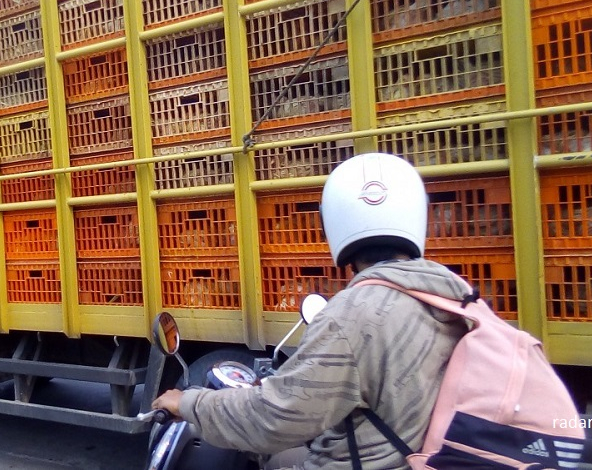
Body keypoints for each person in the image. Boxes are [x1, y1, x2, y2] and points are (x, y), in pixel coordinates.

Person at [151, 153, 472, 469]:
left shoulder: (351, 317)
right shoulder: (456, 297)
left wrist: (189, 403)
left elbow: (275, 419)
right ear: (419, 213)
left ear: (331, 220)